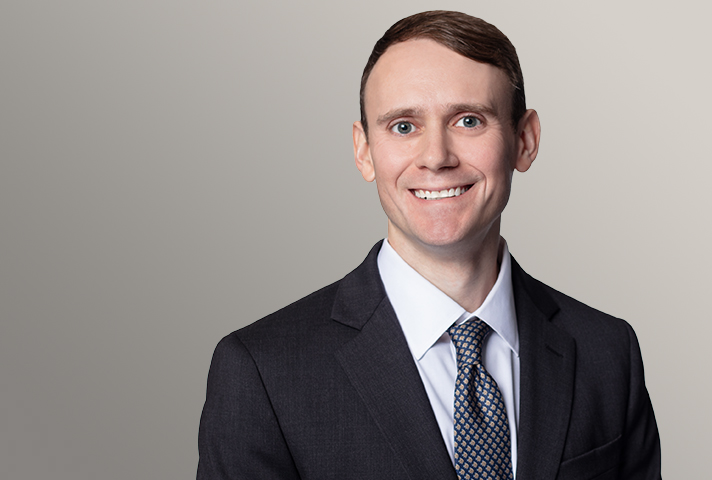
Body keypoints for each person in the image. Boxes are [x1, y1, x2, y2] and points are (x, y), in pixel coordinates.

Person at [197, 10, 661, 480]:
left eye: (468, 120)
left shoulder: (607, 354)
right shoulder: (263, 372)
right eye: (404, 126)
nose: (436, 157)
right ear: (364, 151)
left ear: (524, 140)